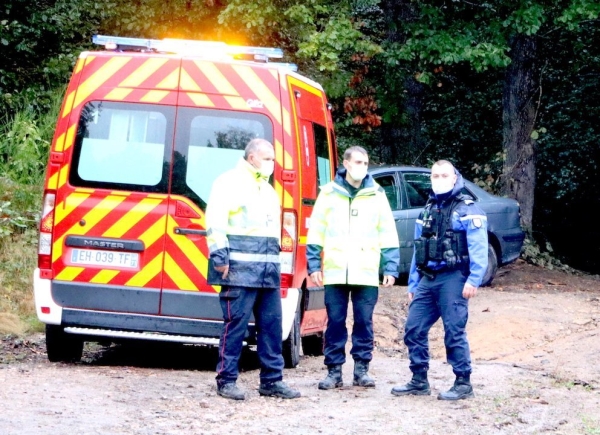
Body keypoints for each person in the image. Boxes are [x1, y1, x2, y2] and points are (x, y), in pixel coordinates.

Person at [205, 138, 300, 401]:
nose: (272, 163)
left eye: (273, 158)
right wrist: (220, 256)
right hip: (238, 272)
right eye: (267, 158)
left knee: (271, 327)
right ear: (251, 158)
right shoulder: (229, 182)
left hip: (266, 273)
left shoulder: (267, 189)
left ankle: (271, 381)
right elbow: (215, 222)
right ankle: (226, 380)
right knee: (235, 326)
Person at [391, 159, 488, 400]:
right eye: (435, 176)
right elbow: (418, 249)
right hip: (427, 278)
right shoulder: (428, 209)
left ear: (455, 177)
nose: (439, 180)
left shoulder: (468, 209)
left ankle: (463, 383)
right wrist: (413, 283)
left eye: (444, 176)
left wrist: (474, 279)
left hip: (454, 278)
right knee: (413, 328)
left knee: (454, 331)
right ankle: (419, 380)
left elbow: (479, 247)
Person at [307, 146, 400, 390]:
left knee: (364, 322)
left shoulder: (377, 194)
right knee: (335, 322)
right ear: (346, 164)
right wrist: (313, 264)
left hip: (366, 270)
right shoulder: (328, 193)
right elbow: (316, 230)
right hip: (336, 270)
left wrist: (391, 267)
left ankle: (361, 370)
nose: (362, 167)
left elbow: (387, 231)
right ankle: (334, 371)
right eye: (358, 162)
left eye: (366, 163)